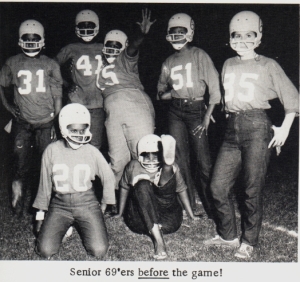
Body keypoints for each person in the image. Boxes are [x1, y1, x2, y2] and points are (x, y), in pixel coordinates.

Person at [202, 11, 299, 259]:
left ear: (259, 37)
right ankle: (228, 236)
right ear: (230, 37)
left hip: (257, 126)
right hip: (232, 127)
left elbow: (292, 98)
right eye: (237, 35)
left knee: (251, 188)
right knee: (217, 186)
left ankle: (249, 241)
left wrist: (284, 127)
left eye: (249, 35)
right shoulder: (228, 63)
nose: (242, 40)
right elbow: (228, 99)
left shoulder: (268, 64)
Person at [157, 13, 221, 215]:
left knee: (203, 162)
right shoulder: (168, 61)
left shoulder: (199, 55)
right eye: (172, 33)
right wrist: (175, 92)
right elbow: (160, 94)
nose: (176, 37)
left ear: (190, 33)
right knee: (180, 159)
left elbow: (215, 89)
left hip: (196, 110)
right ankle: (188, 206)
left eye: (180, 32)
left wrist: (206, 115)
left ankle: (213, 206)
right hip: (176, 111)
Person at [32, 103, 115, 259]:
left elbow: (108, 176)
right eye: (74, 130)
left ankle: (73, 226)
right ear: (64, 129)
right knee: (45, 250)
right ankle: (65, 228)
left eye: (82, 130)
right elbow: (44, 186)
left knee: (99, 250)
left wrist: (103, 206)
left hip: (87, 202)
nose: (79, 135)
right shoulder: (51, 150)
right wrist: (40, 216)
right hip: (59, 204)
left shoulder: (91, 151)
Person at [0, 19, 63, 216]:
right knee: (20, 164)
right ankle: (17, 205)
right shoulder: (12, 62)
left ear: (43, 41)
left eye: (34, 39)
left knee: (48, 165)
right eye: (26, 39)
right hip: (23, 122)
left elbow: (58, 95)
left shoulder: (50, 64)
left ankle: (47, 206)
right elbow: (2, 85)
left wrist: (56, 121)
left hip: (45, 122)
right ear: (19, 41)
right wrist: (9, 107)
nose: (30, 42)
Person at [96, 9, 155, 199]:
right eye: (109, 45)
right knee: (117, 159)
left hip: (134, 104)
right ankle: (115, 202)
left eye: (117, 45)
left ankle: (152, 199)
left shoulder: (125, 59)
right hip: (112, 111)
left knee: (144, 153)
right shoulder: (99, 65)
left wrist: (141, 35)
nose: (113, 48)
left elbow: (133, 47)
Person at [112, 134, 200, 260]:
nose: (152, 161)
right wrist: (120, 213)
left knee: (166, 187)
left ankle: (167, 167)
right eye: (147, 157)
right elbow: (124, 188)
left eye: (156, 157)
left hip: (168, 219)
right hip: (140, 220)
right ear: (139, 156)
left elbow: (181, 189)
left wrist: (191, 215)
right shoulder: (133, 166)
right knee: (142, 184)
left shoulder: (175, 166)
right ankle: (159, 241)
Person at [55, 9, 105, 150]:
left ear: (96, 26)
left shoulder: (104, 47)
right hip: (76, 101)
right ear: (77, 28)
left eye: (90, 26)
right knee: (74, 143)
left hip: (98, 103)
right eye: (83, 26)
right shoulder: (71, 48)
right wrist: (65, 83)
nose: (86, 29)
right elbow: (50, 66)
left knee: (94, 146)